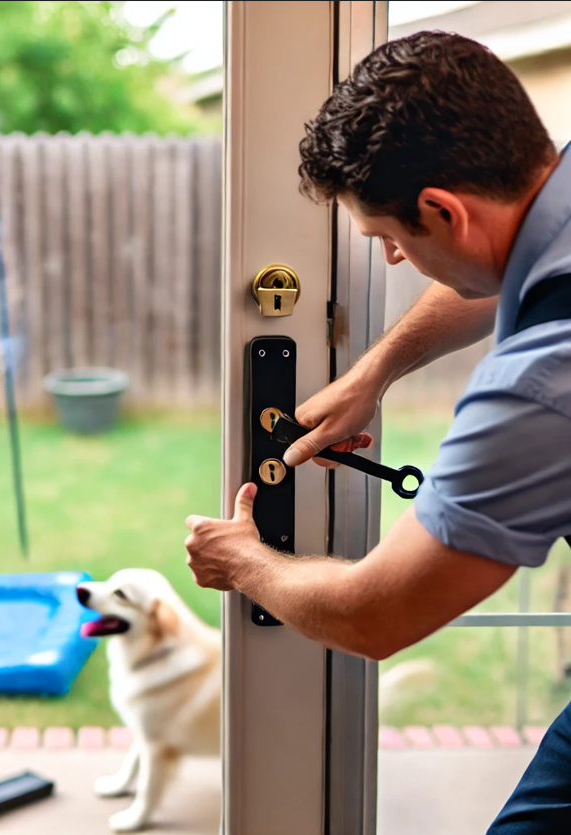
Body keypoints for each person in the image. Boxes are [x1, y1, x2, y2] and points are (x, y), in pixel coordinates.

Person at [184, 31, 571, 832]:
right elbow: (505, 258)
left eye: (389, 238)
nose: (394, 258)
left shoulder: (538, 382)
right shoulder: (551, 185)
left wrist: (246, 561)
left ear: (442, 209)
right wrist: (373, 372)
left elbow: (376, 613)